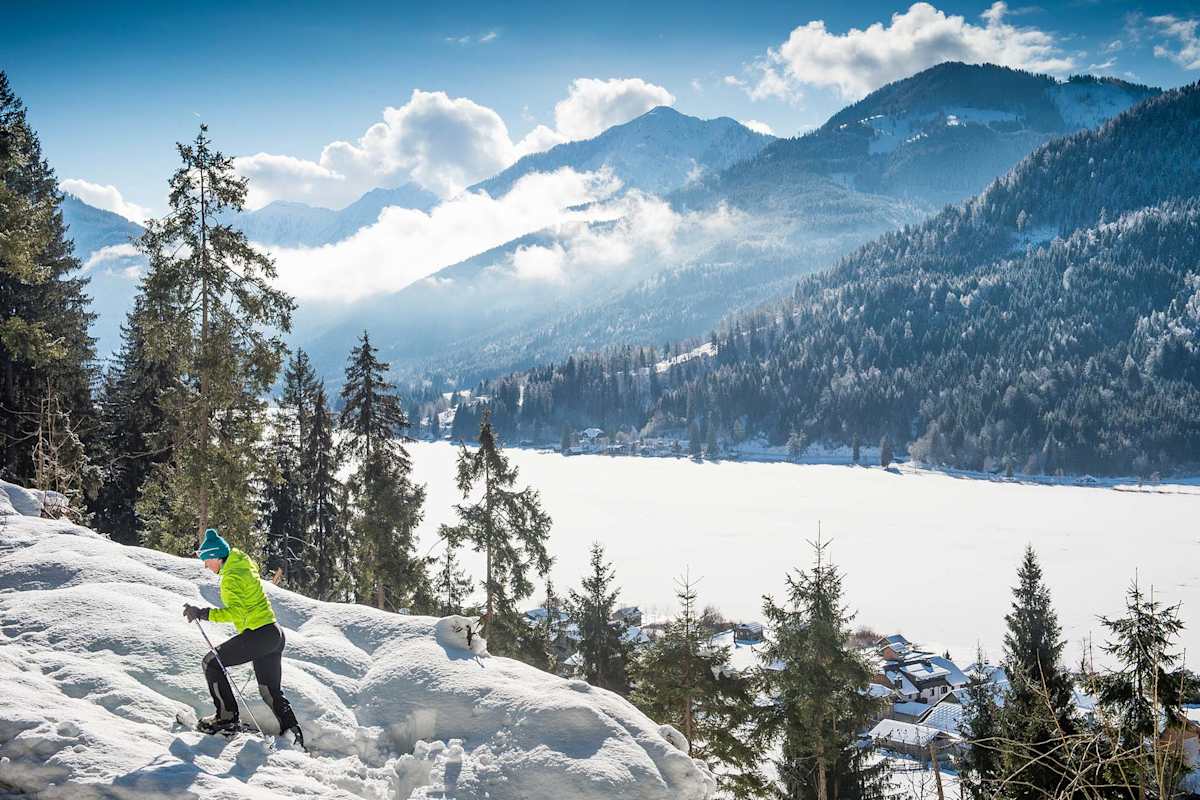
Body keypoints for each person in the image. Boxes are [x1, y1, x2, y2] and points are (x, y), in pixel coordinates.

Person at [183, 528, 304, 748]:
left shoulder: (231, 577)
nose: (205, 565)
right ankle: (294, 735)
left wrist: (202, 613)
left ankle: (226, 719)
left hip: (258, 634)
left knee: (211, 663)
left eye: (207, 560)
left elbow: (236, 613)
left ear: (218, 557)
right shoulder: (242, 564)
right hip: (273, 634)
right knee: (270, 691)